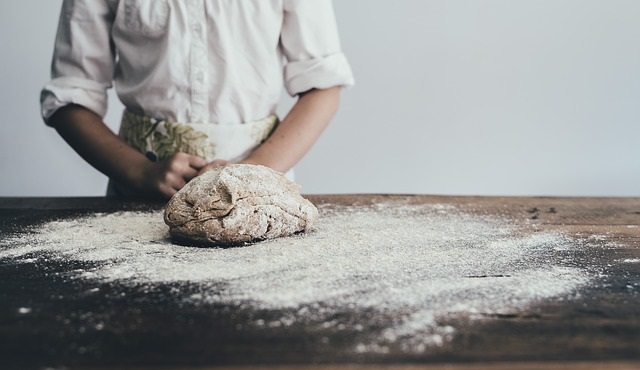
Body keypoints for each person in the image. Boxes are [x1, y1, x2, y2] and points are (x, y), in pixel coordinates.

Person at [41, 0, 354, 199]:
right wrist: (139, 172)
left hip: (261, 192)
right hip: (139, 195)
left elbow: (323, 87)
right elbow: (70, 98)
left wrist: (251, 173)